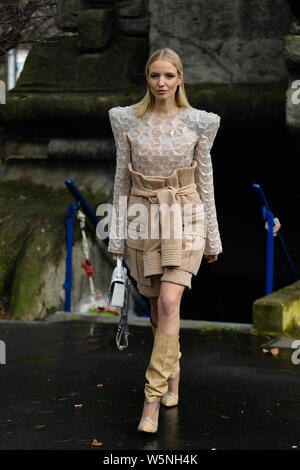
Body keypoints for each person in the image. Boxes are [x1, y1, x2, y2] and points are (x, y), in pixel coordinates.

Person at [107, 48, 222, 433]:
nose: (161, 83)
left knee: (171, 300)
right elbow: (121, 179)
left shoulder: (201, 123)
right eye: (155, 76)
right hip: (143, 216)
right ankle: (173, 379)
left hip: (186, 213)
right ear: (147, 78)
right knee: (158, 311)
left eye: (169, 76)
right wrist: (117, 235)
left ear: (180, 79)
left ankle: (151, 402)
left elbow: (205, 179)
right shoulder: (125, 120)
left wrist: (213, 238)